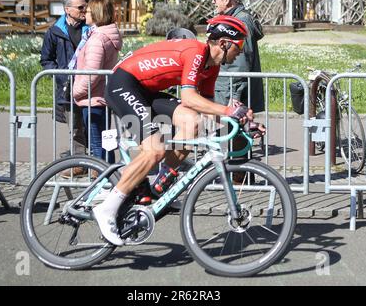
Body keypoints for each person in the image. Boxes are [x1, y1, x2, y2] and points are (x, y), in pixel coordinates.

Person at [93, 15, 265, 246]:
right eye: (240, 45)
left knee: (194, 123)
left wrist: (243, 121)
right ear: (224, 43)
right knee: (154, 149)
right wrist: (227, 110)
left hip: (145, 92)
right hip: (123, 84)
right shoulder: (195, 52)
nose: (241, 52)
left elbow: (209, 114)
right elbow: (188, 97)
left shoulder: (211, 68)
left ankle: (160, 187)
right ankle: (107, 209)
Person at [40, 0, 88, 176]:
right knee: (75, 128)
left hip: (91, 86)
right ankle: (79, 164)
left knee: (94, 124)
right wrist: (63, 77)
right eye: (80, 7)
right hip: (68, 89)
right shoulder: (55, 31)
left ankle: (97, 164)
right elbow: (46, 59)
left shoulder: (90, 28)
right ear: (68, 9)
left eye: (85, 5)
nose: (85, 9)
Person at [72, 0, 122, 167]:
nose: (84, 13)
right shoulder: (106, 35)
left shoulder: (97, 39)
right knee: (106, 144)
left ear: (96, 13)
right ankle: (110, 179)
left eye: (87, 11)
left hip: (93, 99)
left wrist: (76, 92)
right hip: (102, 97)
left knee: (97, 147)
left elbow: (91, 74)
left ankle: (104, 183)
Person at [212, 0, 264, 112]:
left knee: (228, 130)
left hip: (230, 92)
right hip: (226, 88)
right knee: (228, 130)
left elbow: (240, 62)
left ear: (226, 0)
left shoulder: (239, 22)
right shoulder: (233, 19)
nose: (213, 2)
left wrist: (235, 96)